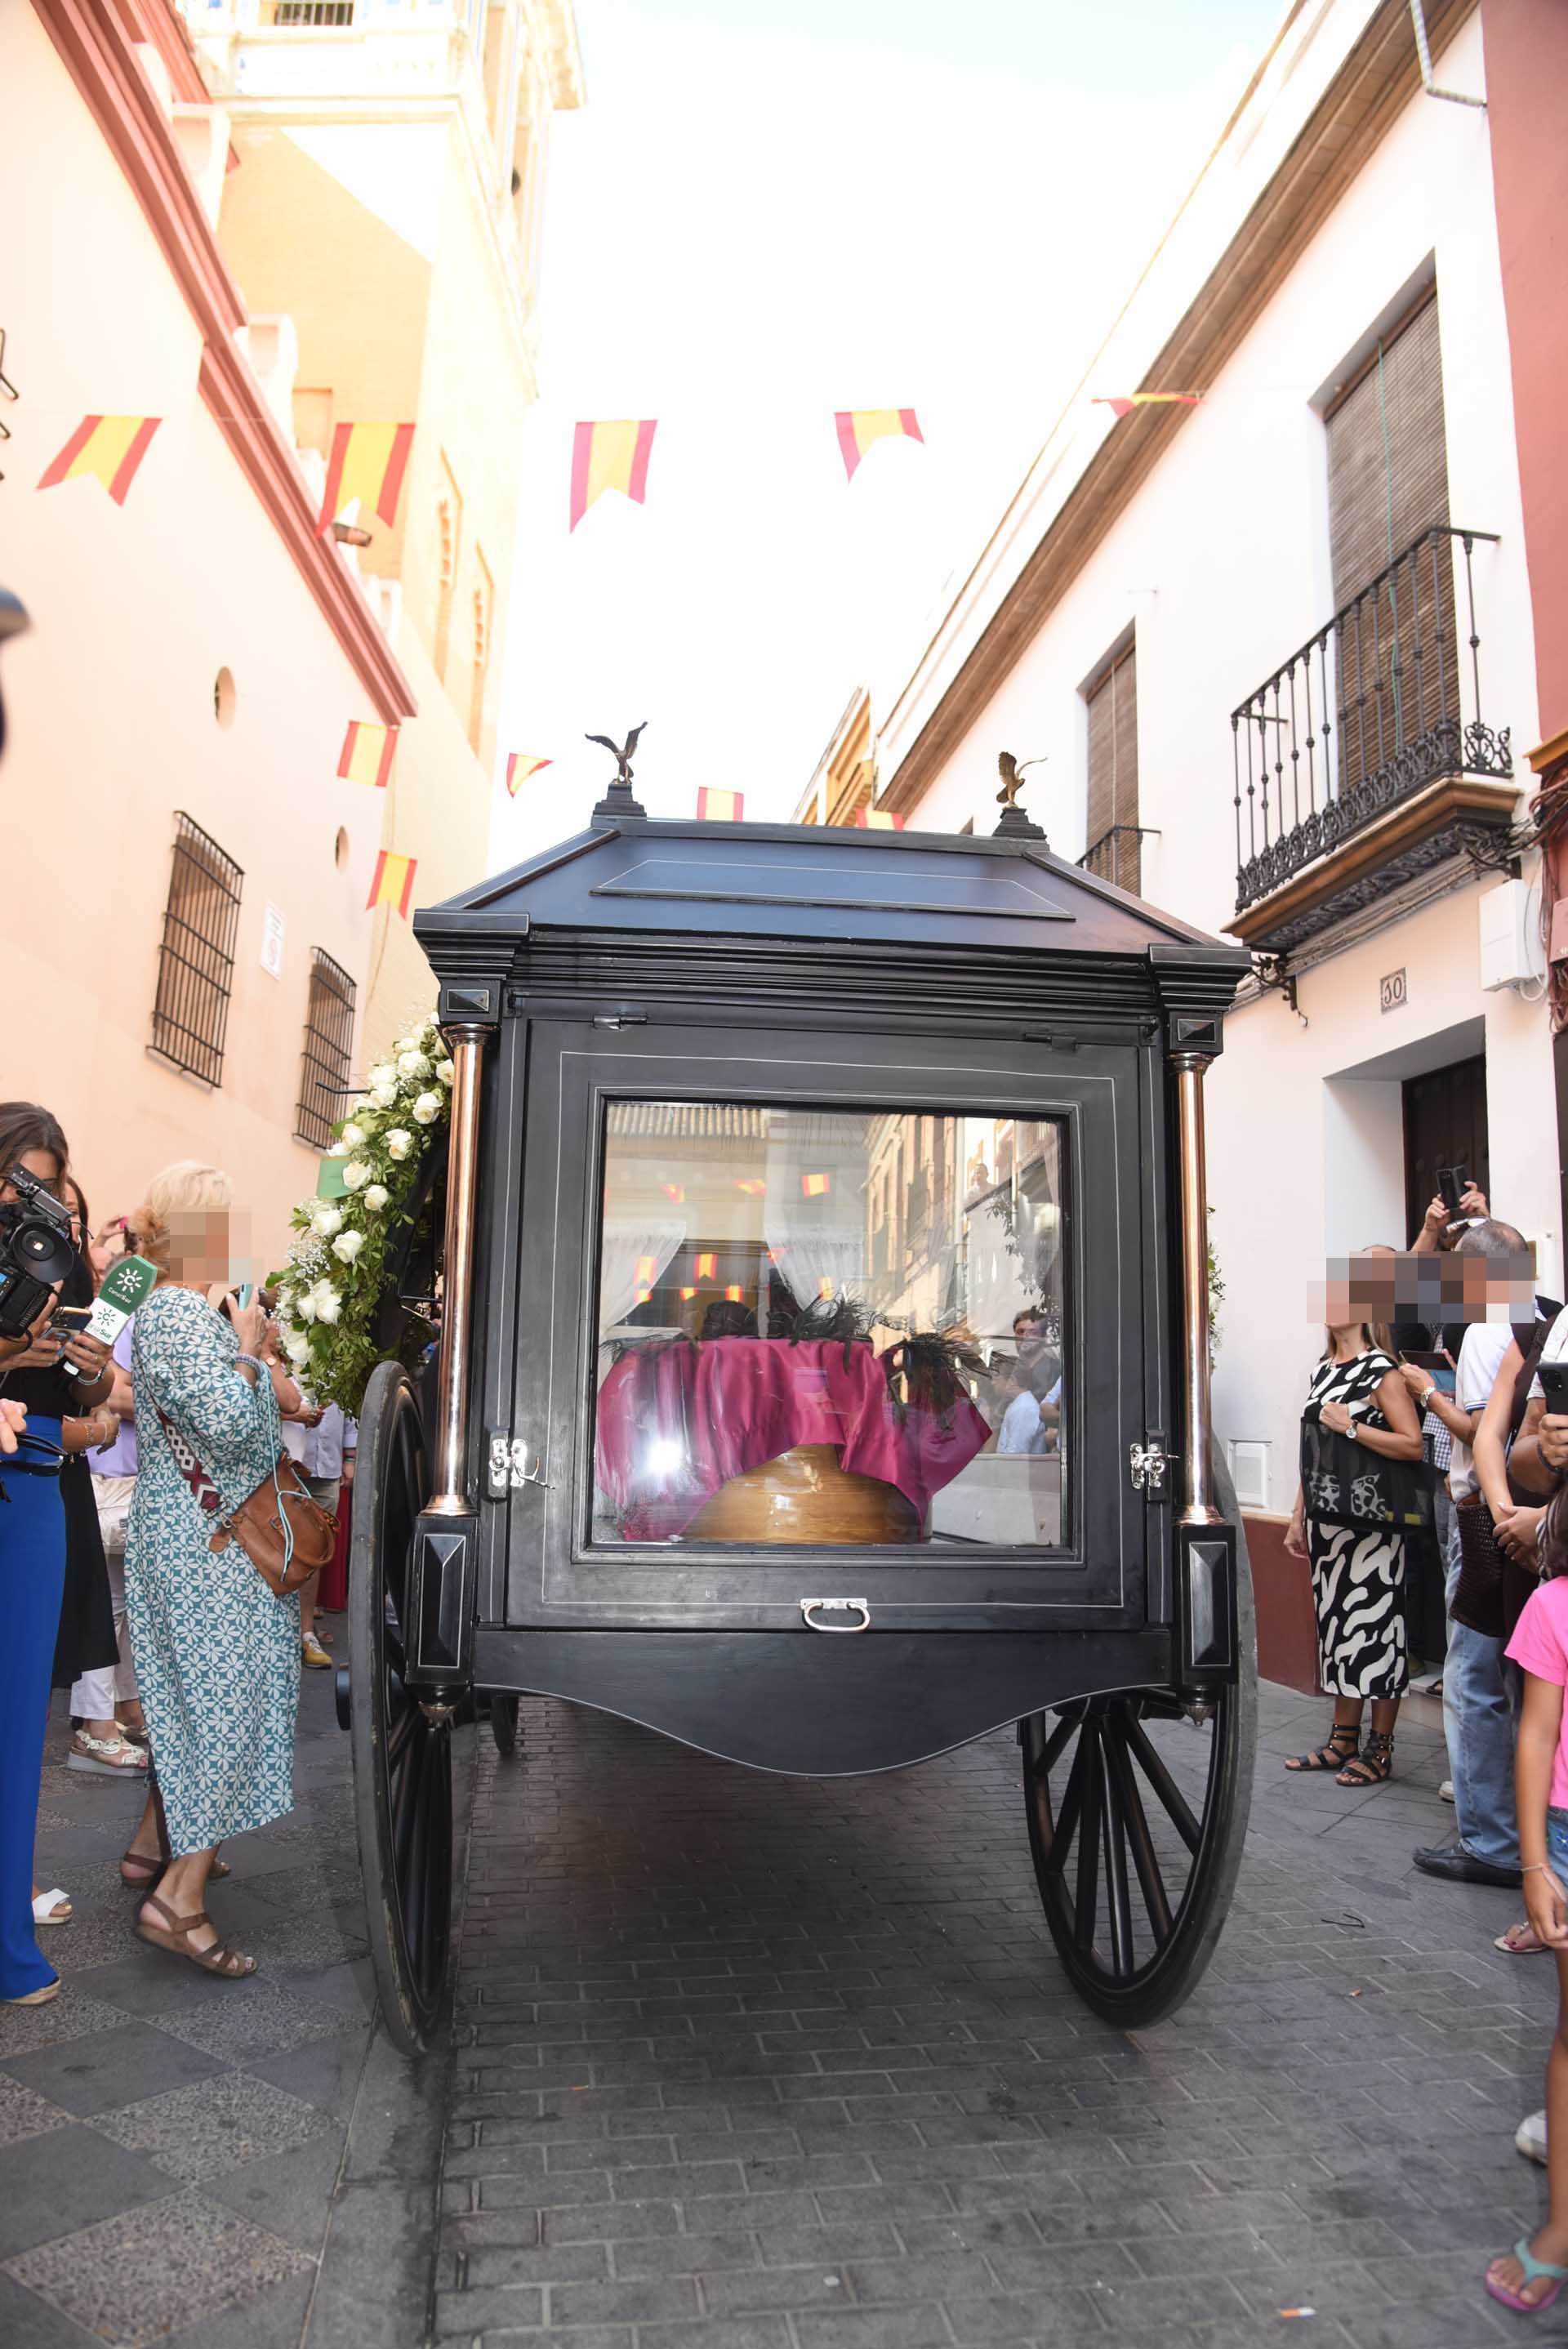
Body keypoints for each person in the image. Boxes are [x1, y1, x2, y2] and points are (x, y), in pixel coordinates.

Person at [117, 1161, 301, 1980]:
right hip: (206, 1541)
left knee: (204, 1696)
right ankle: (176, 1901)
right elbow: (229, 1423)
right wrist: (254, 1355)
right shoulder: (181, 1313)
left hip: (189, 1532)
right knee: (228, 1702)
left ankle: (156, 1845)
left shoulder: (172, 1311)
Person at [0, 1103, 114, 2005]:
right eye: (19, 1182)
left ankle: (7, 1937)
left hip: (31, 1491)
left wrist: (83, 1363)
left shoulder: (59, 1254)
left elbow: (84, 1386)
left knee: (11, 1733)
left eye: (43, 1187)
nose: (31, 1206)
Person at [1405, 1220, 1537, 1887]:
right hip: (1543, 1523)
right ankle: (1533, 1831)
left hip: (1489, 1519)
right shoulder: (1548, 1318)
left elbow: (1480, 1428)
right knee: (1524, 1683)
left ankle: (1490, 1841)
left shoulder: (1489, 1330)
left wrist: (1429, 1392)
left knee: (1472, 1680)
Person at [1284, 1259, 1425, 1786]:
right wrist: (1299, 1515)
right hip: (1330, 1523)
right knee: (1340, 1627)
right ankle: (1342, 1740)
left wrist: (1351, 1430)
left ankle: (1380, 1749)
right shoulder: (1323, 1371)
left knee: (1377, 1629)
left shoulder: (1380, 1369)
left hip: (1372, 1523)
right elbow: (1311, 1453)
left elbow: (1412, 1445)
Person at [1485, 1489, 1568, 2312]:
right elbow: (1536, 1733)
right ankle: (1562, 2224)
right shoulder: (1553, 1606)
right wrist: (1536, 1864)